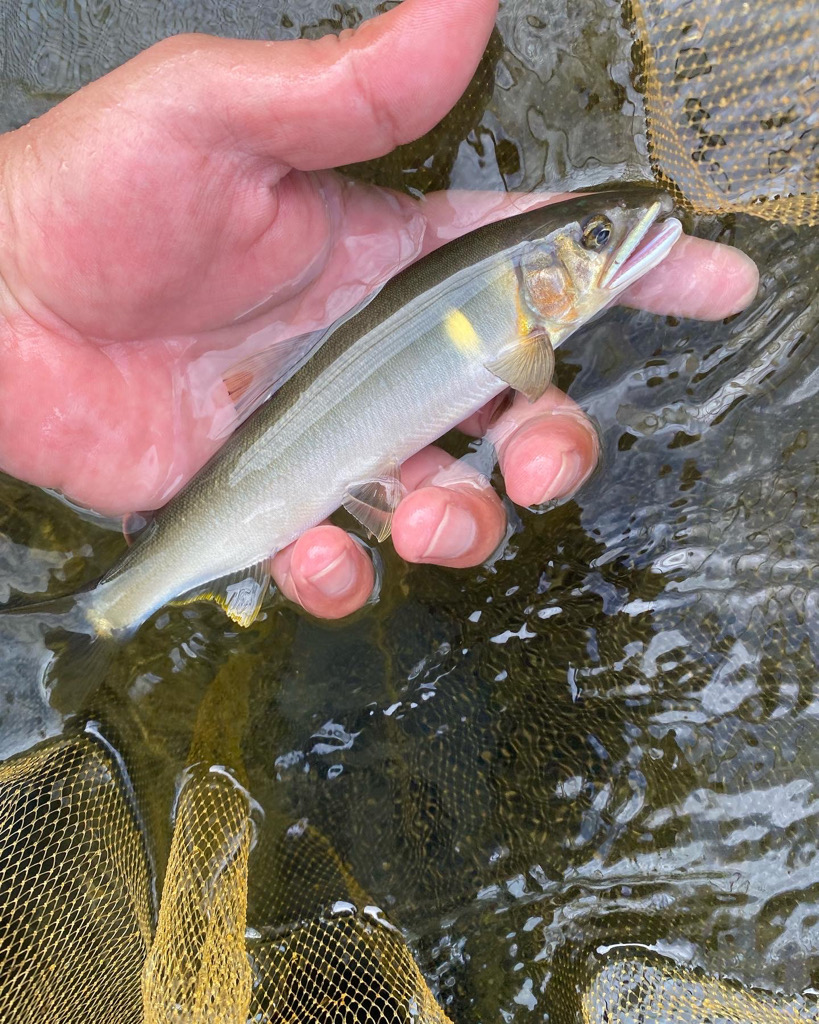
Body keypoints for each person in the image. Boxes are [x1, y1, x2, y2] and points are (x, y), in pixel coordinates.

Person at [0, 0, 758, 621]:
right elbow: (525, 377)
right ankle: (109, 607)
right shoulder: (524, 343)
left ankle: (115, 605)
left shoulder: (521, 323)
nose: (608, 242)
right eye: (593, 239)